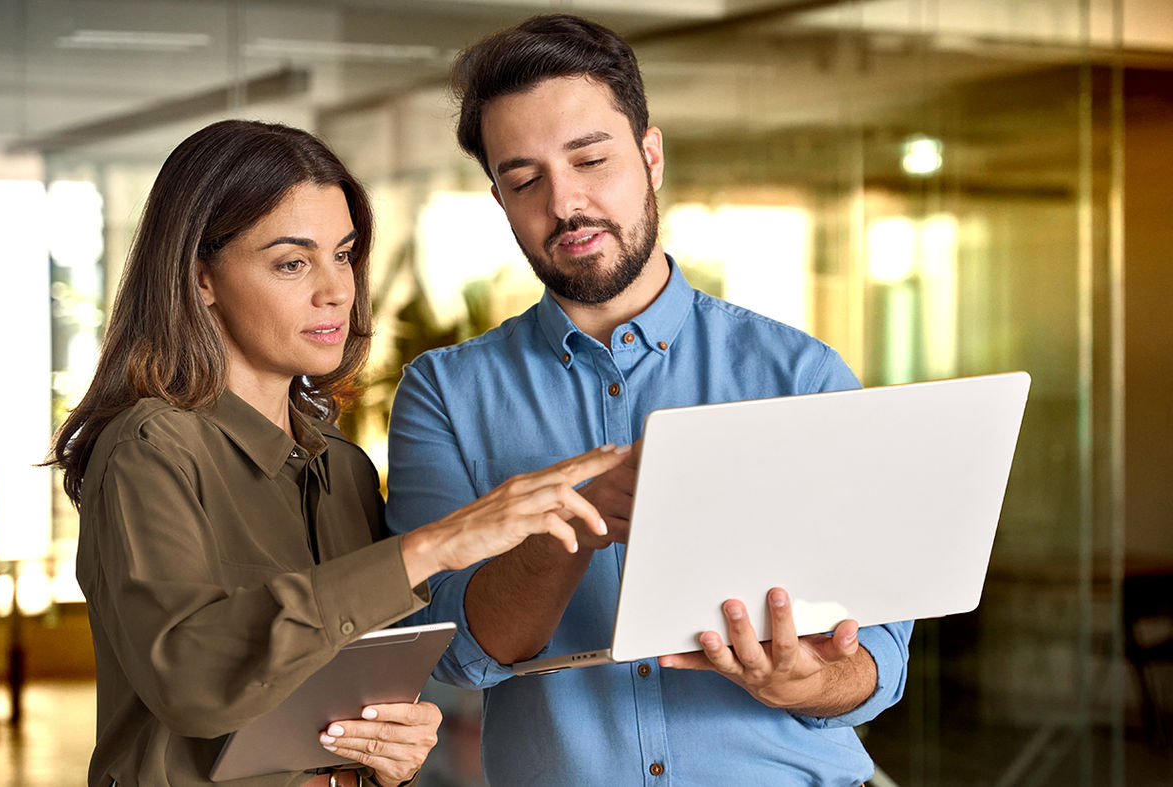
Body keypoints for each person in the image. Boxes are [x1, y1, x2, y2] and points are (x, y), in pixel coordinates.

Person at [385, 14, 913, 786]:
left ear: (651, 156)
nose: (566, 203)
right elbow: (454, 653)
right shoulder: (445, 392)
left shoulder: (801, 374)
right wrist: (578, 518)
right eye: (525, 179)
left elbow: (882, 658)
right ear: (499, 200)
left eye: (591, 159)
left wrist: (810, 682)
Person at [49, 119, 628, 787]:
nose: (336, 289)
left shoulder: (344, 468)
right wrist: (435, 545)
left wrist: (392, 748)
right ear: (201, 276)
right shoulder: (149, 447)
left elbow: (337, 694)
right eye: (292, 262)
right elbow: (193, 678)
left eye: (344, 254)